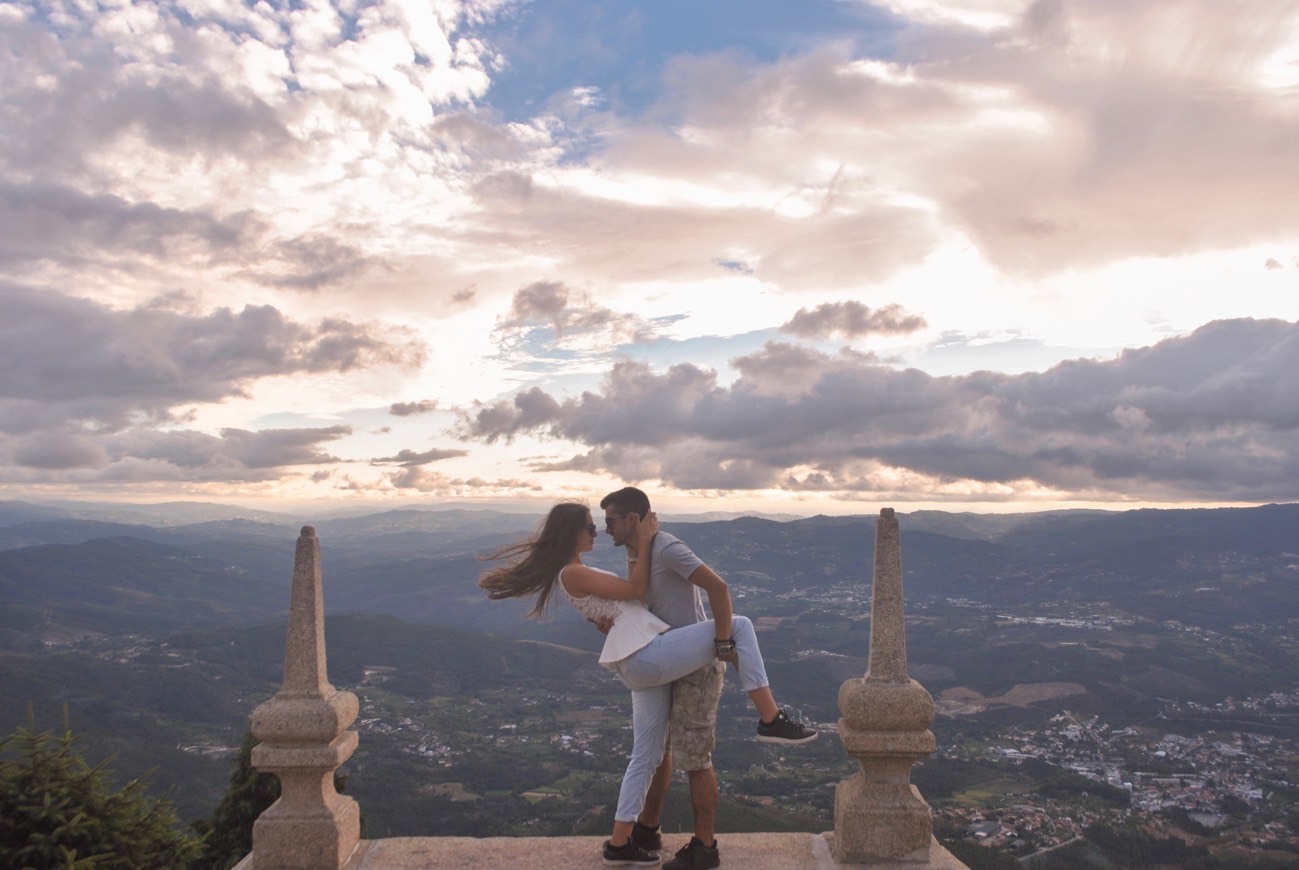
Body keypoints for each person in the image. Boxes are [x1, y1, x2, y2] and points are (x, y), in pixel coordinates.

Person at [480, 502, 816, 867]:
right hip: (646, 654)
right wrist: (648, 538)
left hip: (640, 659)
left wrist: (635, 558)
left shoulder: (574, 573)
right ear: (572, 532)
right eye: (591, 527)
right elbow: (636, 588)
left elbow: (631, 598)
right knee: (741, 626)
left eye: (600, 526)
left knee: (647, 755)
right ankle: (770, 719)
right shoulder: (572, 573)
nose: (596, 533)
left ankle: (620, 843)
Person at [598, 486, 814, 870]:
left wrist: (723, 642)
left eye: (611, 520)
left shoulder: (665, 547)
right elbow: (642, 602)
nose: (605, 528)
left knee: (696, 758)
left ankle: (706, 847)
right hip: (666, 655)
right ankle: (647, 831)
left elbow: (719, 587)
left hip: (694, 660)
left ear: (632, 519)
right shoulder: (639, 552)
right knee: (657, 751)